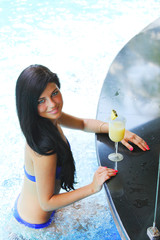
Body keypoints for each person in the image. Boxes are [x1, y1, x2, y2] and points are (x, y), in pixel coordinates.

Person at [13, 64, 150, 229]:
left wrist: (116, 130)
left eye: (54, 93)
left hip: (26, 209)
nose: (52, 104)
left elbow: (83, 123)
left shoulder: (47, 119)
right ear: (29, 105)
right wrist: (92, 187)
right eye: (41, 100)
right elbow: (47, 203)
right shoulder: (46, 148)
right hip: (38, 225)